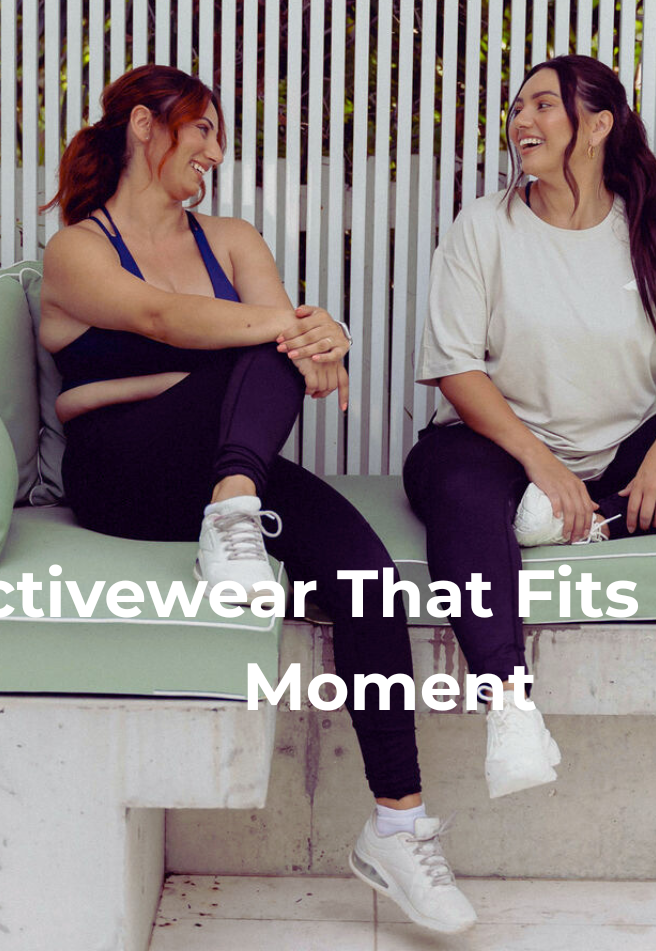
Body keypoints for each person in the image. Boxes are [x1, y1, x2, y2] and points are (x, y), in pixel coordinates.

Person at [38, 64, 476, 934]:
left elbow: (299, 360)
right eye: (199, 129)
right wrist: (305, 327)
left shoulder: (232, 241)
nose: (213, 150)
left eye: (215, 136)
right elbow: (167, 319)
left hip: (220, 477)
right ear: (141, 125)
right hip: (123, 476)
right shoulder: (77, 247)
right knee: (261, 347)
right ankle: (232, 512)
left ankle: (397, 825)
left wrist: (316, 340)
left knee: (370, 580)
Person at [404, 54, 656, 795]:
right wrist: (541, 464)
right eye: (518, 106)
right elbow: (456, 370)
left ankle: (591, 523)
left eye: (542, 106)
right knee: (462, 496)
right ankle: (509, 703)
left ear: (596, 126)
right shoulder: (484, 227)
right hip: (489, 443)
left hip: (615, 457)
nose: (521, 120)